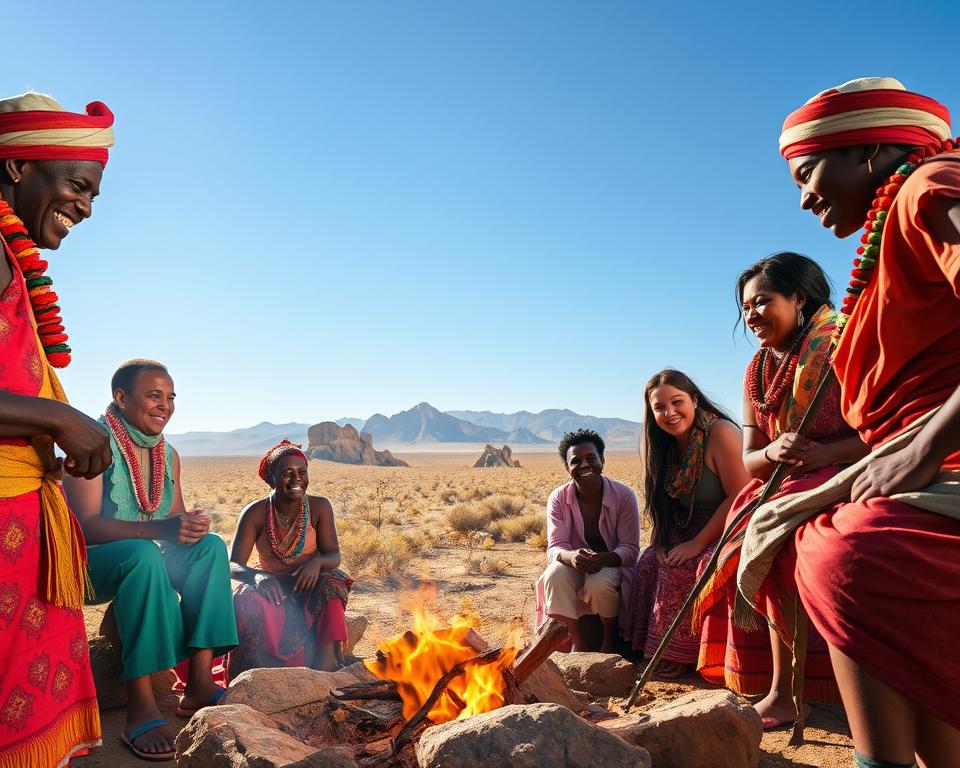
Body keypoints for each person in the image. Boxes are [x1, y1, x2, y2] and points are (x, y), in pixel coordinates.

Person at [766, 77, 960, 768]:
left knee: (849, 553)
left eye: (807, 174)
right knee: (808, 533)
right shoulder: (894, 221)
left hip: (945, 457)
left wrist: (924, 447)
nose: (802, 199)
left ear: (868, 149)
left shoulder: (932, 186)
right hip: (910, 455)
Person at [694, 252, 868, 727]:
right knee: (750, 534)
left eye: (762, 301)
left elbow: (886, 430)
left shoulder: (845, 345)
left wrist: (825, 453)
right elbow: (751, 460)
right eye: (745, 307)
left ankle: (804, 691)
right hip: (782, 484)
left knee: (788, 543)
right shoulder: (756, 371)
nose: (751, 315)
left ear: (799, 298)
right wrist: (774, 451)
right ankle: (783, 689)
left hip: (852, 474)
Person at [0, 92, 114, 767]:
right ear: (18, 167)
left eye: (92, 194)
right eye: (77, 185)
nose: (86, 207)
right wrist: (57, 418)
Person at [64, 359, 238, 761]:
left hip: (145, 558)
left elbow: (172, 517)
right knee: (144, 554)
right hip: (87, 566)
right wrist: (160, 529)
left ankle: (198, 682)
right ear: (121, 398)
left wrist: (189, 526)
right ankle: (141, 704)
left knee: (211, 547)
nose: (165, 405)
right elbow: (85, 527)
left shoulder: (167, 454)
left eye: (171, 397)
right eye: (154, 396)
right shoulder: (92, 444)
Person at [622, 370, 750, 677]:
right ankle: (648, 647)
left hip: (734, 522)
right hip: (688, 526)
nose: (669, 412)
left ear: (694, 399)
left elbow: (740, 496)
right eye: (659, 407)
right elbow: (664, 504)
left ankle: (682, 656)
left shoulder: (720, 432)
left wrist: (697, 543)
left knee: (689, 567)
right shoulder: (664, 445)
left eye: (677, 402)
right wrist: (663, 541)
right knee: (651, 561)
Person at [228, 441, 351, 678]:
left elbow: (334, 555)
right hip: (272, 586)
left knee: (332, 583)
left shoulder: (319, 506)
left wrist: (316, 563)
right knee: (246, 599)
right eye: (287, 473)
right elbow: (233, 565)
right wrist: (257, 577)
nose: (297, 479)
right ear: (272, 478)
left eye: (302, 472)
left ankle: (326, 668)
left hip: (309, 583)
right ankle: (254, 673)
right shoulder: (255, 513)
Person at [535, 429, 640, 652]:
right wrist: (572, 557)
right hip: (575, 564)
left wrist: (600, 559)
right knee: (553, 575)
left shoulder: (624, 496)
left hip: (613, 564)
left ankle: (610, 639)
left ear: (602, 460)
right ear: (567, 467)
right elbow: (555, 547)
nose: (584, 465)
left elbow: (630, 549)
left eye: (591, 458)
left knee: (599, 582)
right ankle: (577, 640)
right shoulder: (558, 498)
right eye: (576, 461)